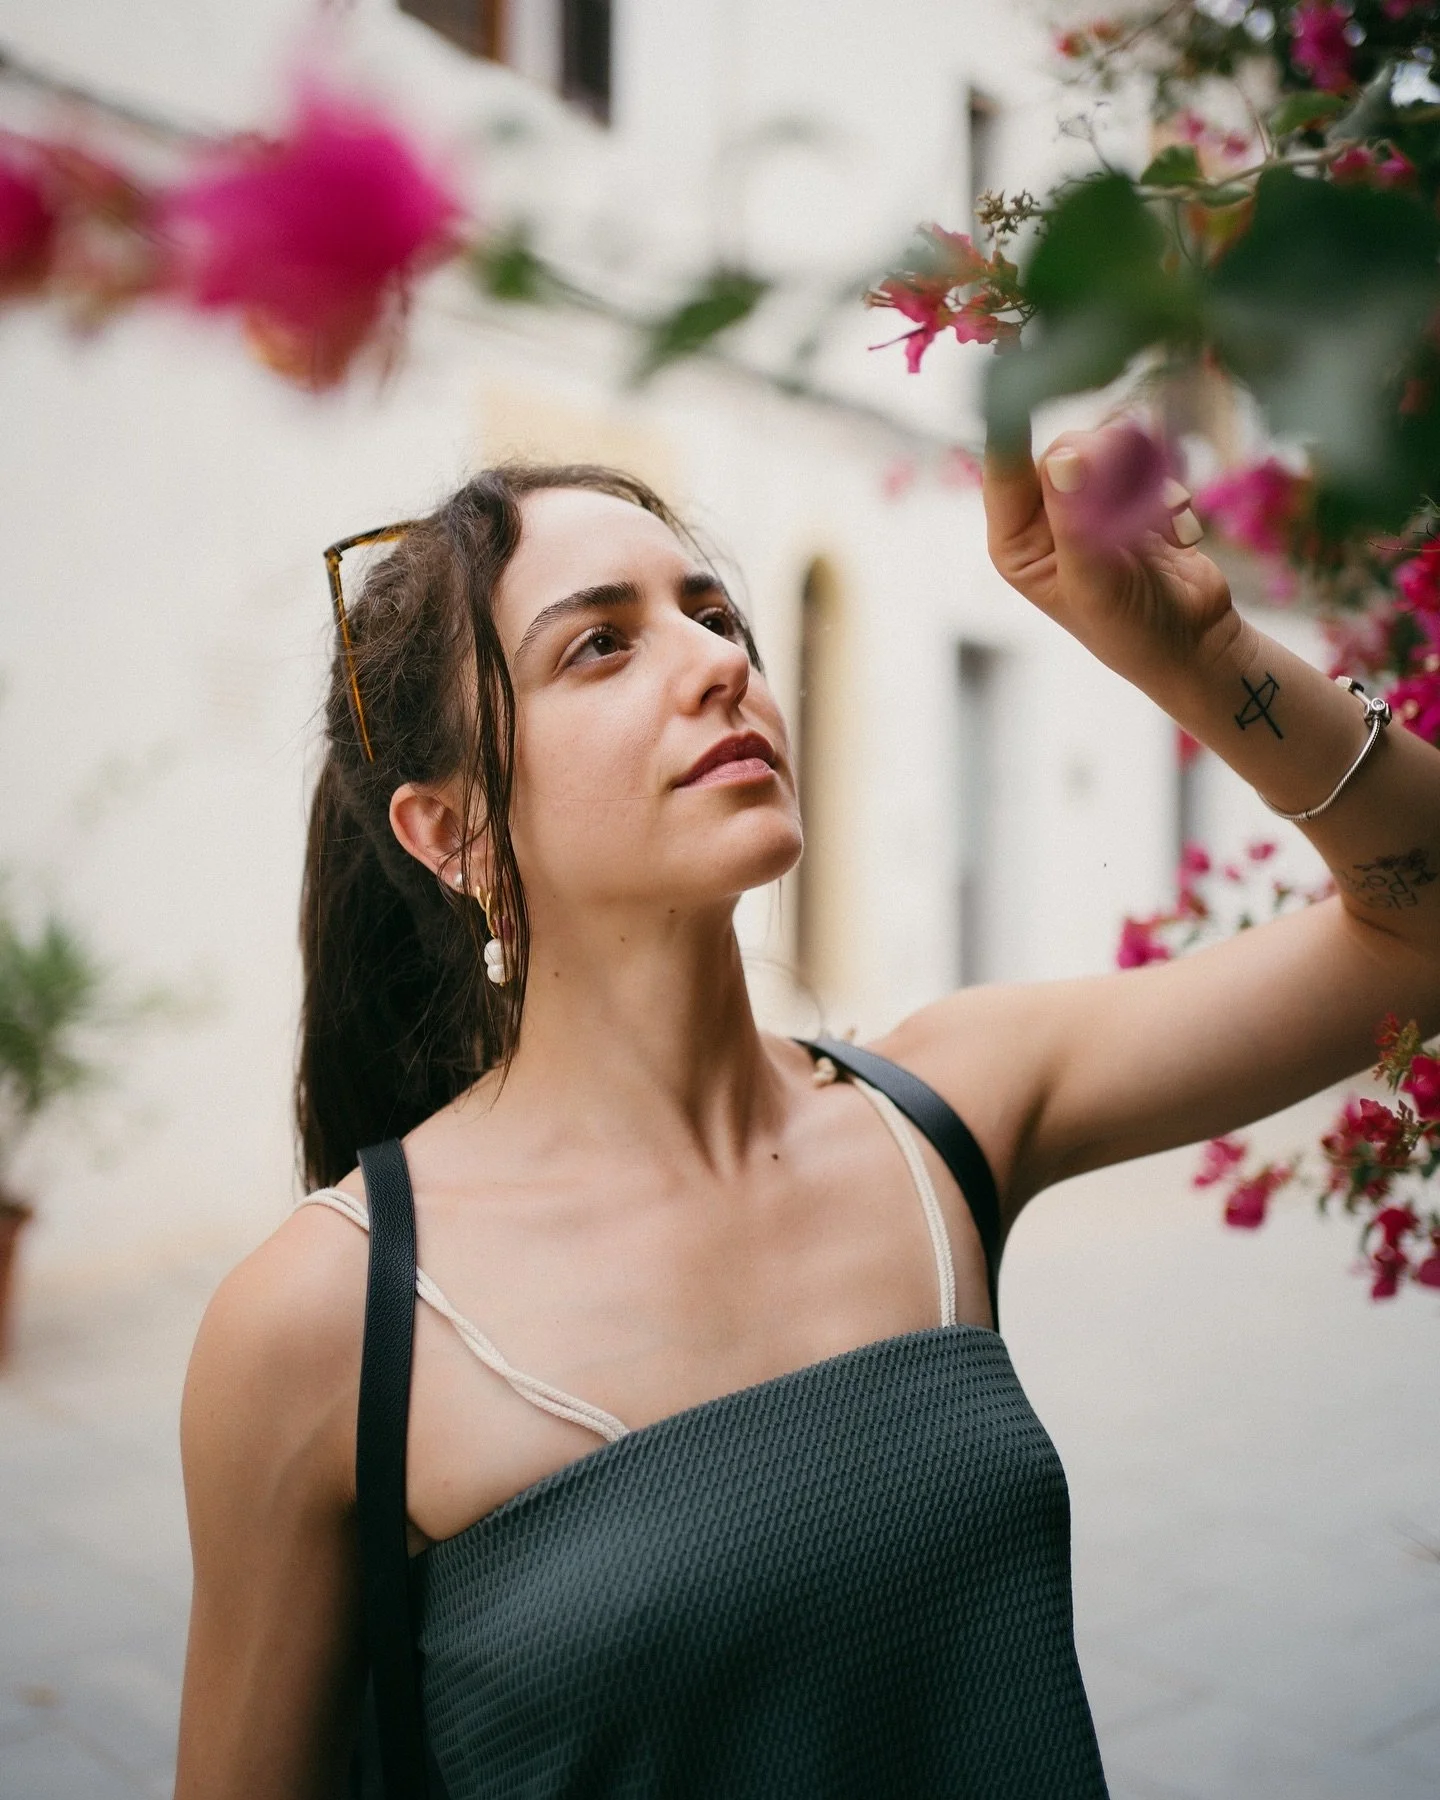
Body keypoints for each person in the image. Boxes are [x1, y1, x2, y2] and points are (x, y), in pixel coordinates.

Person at [174, 424, 1440, 1800]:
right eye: (601, 644)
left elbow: (1415, 926)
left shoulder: (944, 1116)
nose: (721, 661)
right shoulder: (325, 1320)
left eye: (712, 614)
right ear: (454, 832)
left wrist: (1196, 657)